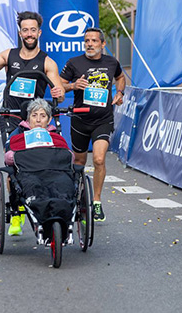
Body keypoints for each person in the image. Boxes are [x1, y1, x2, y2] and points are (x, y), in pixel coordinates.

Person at [59, 27, 126, 222]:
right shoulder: (74, 63)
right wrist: (72, 86)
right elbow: (59, 84)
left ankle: (96, 201)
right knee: (79, 162)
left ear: (103, 44)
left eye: (94, 41)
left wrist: (120, 92)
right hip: (80, 120)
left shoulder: (111, 62)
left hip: (103, 120)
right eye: (87, 40)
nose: (90, 44)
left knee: (98, 159)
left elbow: (120, 77)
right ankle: (77, 196)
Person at [0, 11, 64, 137]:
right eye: (25, 30)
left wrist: (59, 94)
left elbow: (60, 97)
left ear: (39, 33)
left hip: (35, 119)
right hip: (10, 115)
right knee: (11, 155)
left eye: (33, 30)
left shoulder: (48, 63)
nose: (29, 34)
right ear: (20, 33)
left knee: (34, 154)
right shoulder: (8, 55)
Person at [3, 98, 72, 236]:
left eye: (43, 116)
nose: (38, 120)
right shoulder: (18, 134)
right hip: (29, 172)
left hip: (54, 172)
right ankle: (17, 214)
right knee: (19, 181)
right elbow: (8, 158)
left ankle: (61, 216)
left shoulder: (55, 135)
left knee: (64, 185)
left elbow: (68, 156)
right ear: (28, 118)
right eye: (34, 116)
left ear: (49, 119)